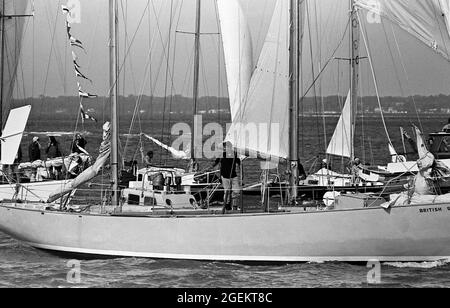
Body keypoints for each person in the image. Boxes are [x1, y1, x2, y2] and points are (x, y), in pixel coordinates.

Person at [210, 142, 242, 213]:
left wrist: (242, 174)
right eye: (224, 147)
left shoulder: (234, 154)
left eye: (226, 147)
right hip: (224, 176)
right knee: (226, 191)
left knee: (236, 191)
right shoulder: (221, 155)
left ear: (230, 147)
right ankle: (227, 205)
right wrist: (209, 168)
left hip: (233, 176)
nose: (225, 148)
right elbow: (216, 163)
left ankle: (235, 206)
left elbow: (239, 164)